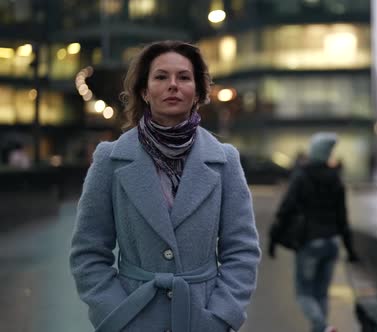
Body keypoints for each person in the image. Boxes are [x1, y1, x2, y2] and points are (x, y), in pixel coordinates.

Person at [69, 40, 261, 332]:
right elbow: (88, 252)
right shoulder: (111, 160)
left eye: (184, 77)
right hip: (133, 317)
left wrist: (222, 316)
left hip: (203, 318)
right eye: (161, 77)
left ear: (197, 91)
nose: (173, 85)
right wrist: (116, 316)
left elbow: (242, 250)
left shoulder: (225, 161)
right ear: (144, 91)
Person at [268, 132, 359, 332]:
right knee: (321, 294)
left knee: (304, 294)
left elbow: (286, 209)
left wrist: (273, 239)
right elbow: (343, 219)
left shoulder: (302, 176)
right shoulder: (336, 180)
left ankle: (322, 326)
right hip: (332, 243)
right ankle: (322, 329)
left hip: (310, 242)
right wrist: (351, 250)